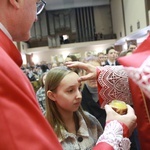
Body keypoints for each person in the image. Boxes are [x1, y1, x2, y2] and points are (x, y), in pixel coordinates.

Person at [0, 0, 136, 149]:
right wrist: (113, 134)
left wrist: (103, 74)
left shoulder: (90, 121)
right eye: (36, 3)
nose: (37, 17)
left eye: (78, 88)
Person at [45, 67, 103, 149]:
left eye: (79, 88)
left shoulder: (90, 121)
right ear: (52, 95)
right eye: (70, 90)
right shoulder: (42, 131)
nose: (79, 96)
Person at [81, 56, 106, 128]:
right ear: (82, 74)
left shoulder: (111, 94)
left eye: (96, 72)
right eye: (87, 72)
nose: (92, 76)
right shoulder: (78, 97)